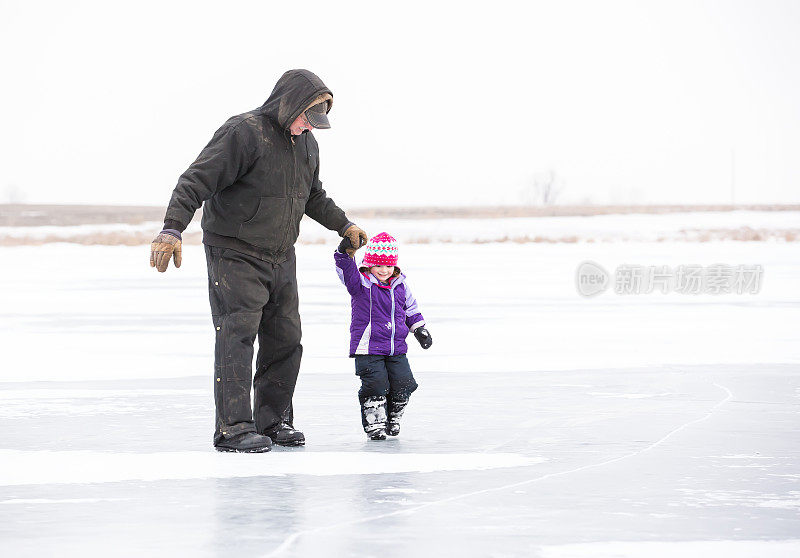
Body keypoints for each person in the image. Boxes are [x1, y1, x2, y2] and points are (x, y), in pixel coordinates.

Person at [149, 69, 368, 453]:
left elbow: (312, 196)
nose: (308, 128)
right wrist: (172, 228)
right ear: (288, 104)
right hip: (234, 251)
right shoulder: (245, 132)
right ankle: (233, 428)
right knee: (238, 334)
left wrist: (343, 225)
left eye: (315, 123)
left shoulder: (307, 145)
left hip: (281, 254)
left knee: (287, 339)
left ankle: (274, 420)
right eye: (305, 118)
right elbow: (194, 180)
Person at [333, 232, 433, 440]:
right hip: (368, 347)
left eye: (388, 266)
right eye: (378, 266)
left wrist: (419, 328)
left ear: (394, 266)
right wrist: (344, 253)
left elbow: (411, 309)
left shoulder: (400, 286)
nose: (384, 270)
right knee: (376, 384)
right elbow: (346, 271)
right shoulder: (361, 285)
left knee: (405, 383)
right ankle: (375, 424)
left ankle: (393, 418)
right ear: (369, 265)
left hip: (395, 347)